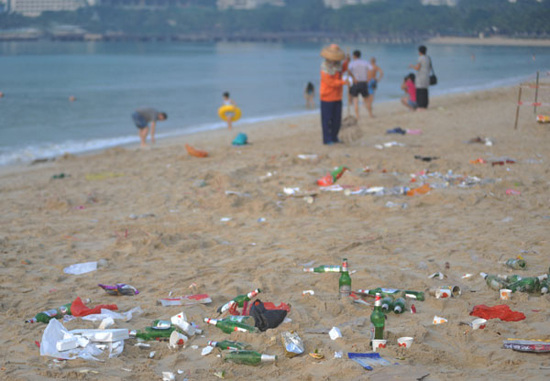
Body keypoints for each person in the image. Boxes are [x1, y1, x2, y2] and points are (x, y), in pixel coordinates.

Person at [320, 44, 349, 145]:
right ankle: (327, 139)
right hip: (327, 97)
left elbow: (344, 68)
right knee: (327, 119)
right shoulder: (324, 68)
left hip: (337, 96)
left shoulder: (338, 65)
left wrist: (347, 61)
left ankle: (334, 137)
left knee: (337, 119)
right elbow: (330, 82)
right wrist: (343, 82)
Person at [347, 50, 371, 120]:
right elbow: (370, 69)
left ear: (354, 56)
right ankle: (370, 114)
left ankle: (357, 116)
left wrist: (353, 77)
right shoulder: (365, 62)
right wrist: (368, 78)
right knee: (366, 99)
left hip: (356, 82)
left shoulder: (352, 63)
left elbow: (348, 71)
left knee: (355, 100)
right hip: (363, 82)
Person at [409, 45, 431, 110]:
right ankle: (425, 105)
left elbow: (417, 68)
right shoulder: (428, 58)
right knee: (425, 91)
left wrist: (412, 66)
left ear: (420, 52)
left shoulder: (420, 58)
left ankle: (420, 106)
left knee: (420, 92)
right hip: (426, 76)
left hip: (420, 77)